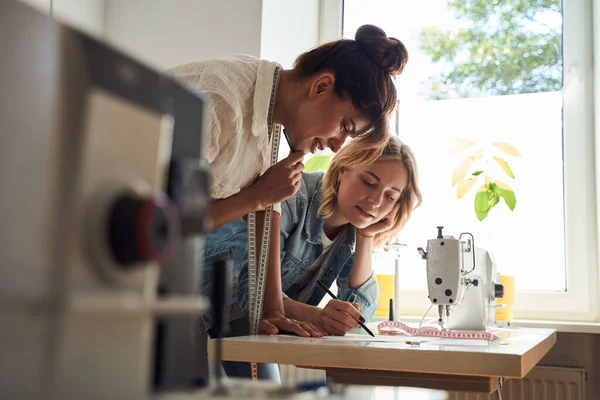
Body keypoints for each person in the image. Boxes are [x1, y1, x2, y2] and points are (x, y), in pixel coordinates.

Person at [169, 24, 408, 335]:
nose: (337, 146)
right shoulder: (220, 101)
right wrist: (256, 196)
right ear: (321, 86)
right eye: (345, 126)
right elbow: (166, 220)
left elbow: (263, 221)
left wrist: (273, 310)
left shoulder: (271, 121)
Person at [201, 135, 422, 379]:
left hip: (240, 316)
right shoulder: (291, 197)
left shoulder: (348, 234)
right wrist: (319, 316)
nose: (376, 201)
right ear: (343, 170)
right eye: (369, 182)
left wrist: (366, 238)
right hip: (195, 295)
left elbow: (360, 317)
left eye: (390, 196)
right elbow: (252, 294)